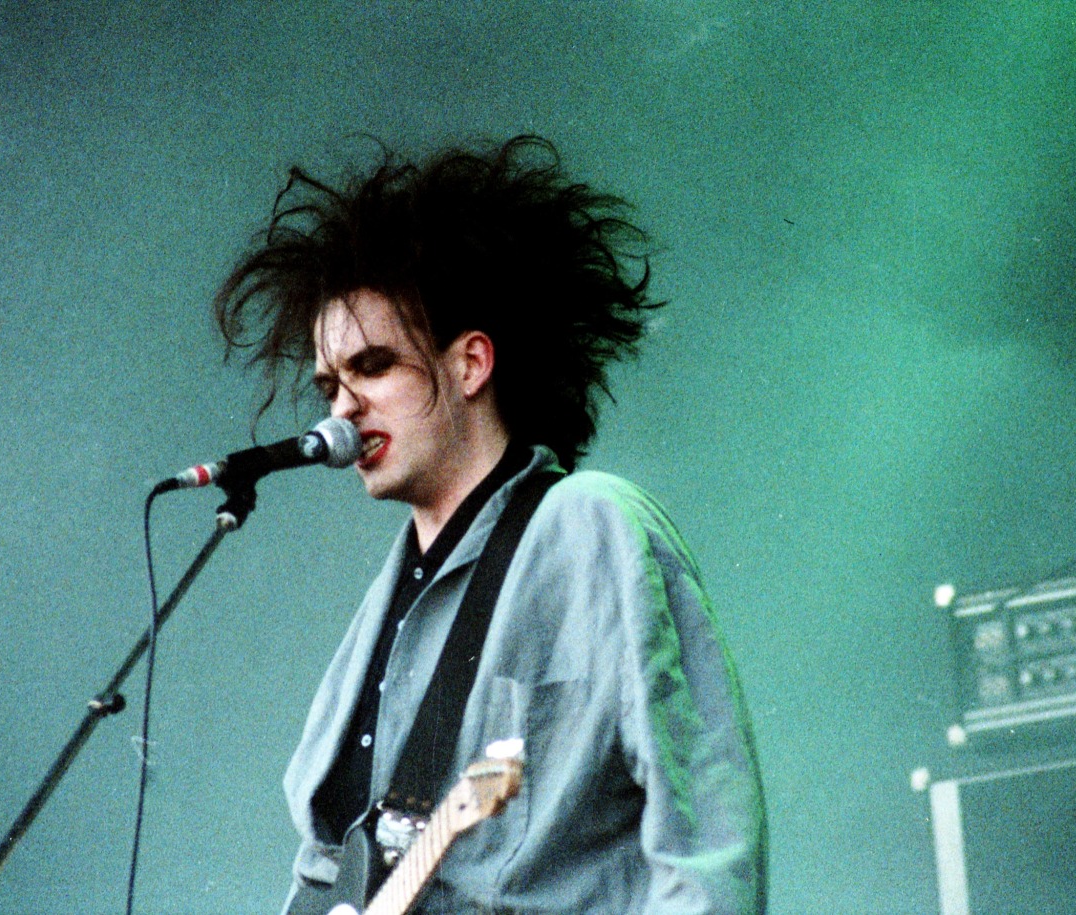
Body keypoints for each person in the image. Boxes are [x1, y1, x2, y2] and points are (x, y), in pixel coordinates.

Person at [215, 136, 767, 914]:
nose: (341, 406)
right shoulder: (378, 617)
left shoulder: (590, 526)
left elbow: (706, 839)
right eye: (328, 383)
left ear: (470, 364)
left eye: (372, 366)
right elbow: (323, 868)